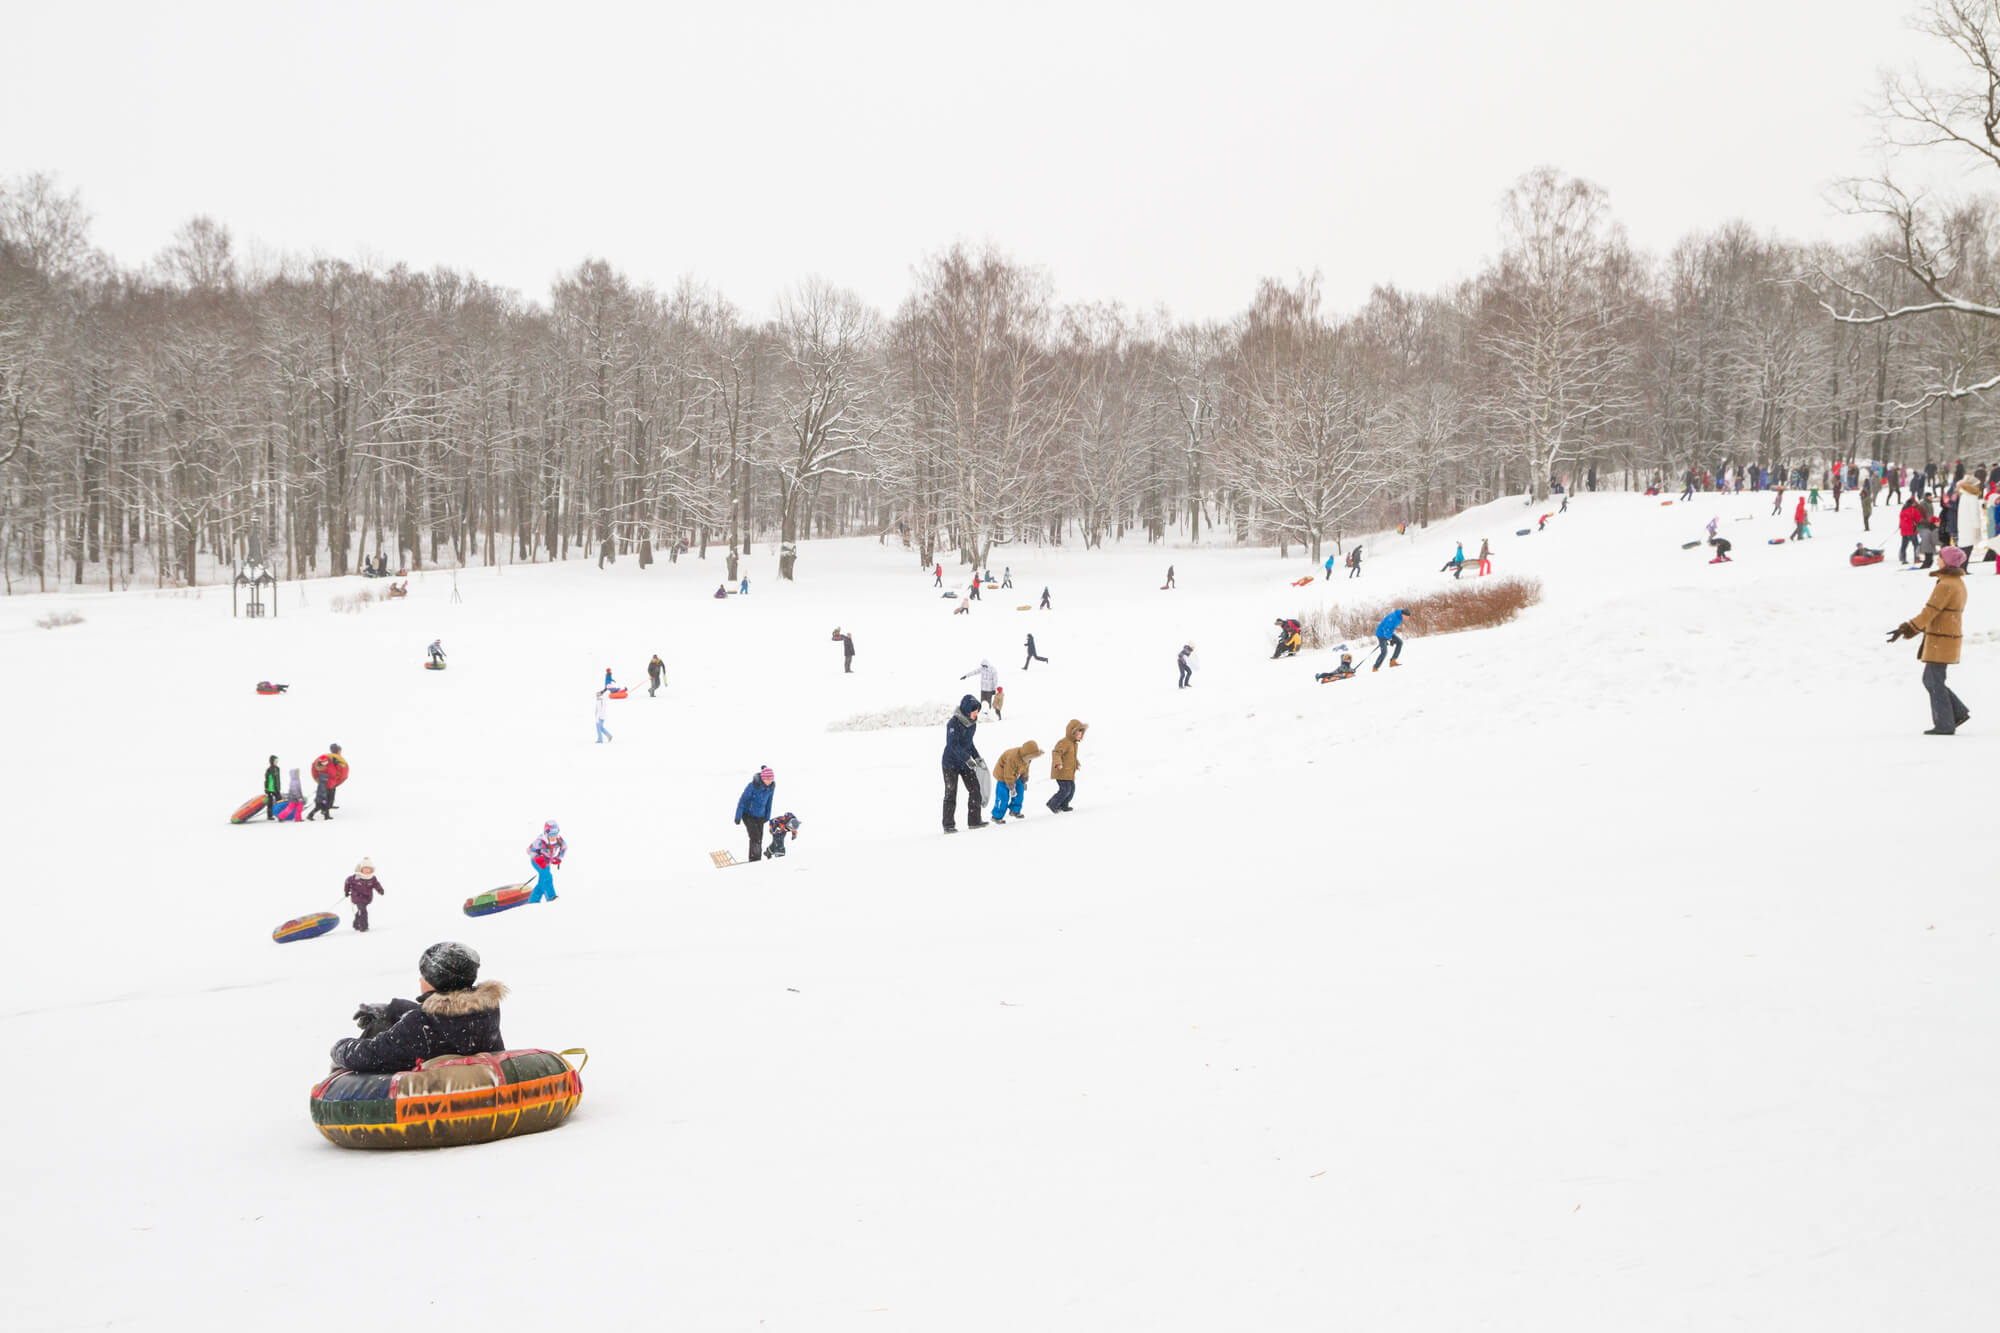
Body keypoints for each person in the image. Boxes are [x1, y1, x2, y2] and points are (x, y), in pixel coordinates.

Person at [328, 942, 504, 1075]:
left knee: (378, 1027)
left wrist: (340, 1047)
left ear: (437, 980)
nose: (420, 980)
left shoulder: (419, 1025)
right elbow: (445, 1018)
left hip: (428, 1097)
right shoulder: (487, 1011)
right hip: (475, 1082)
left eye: (424, 976)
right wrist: (393, 1008)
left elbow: (369, 1055)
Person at [1888, 546, 1971, 735]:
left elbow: (1930, 612)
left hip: (1942, 637)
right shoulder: (1956, 582)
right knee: (1932, 679)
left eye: (1940, 557)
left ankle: (1946, 723)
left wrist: (1906, 628)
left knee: (1933, 680)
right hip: (1946, 636)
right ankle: (1956, 713)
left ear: (1947, 561)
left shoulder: (1946, 585)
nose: (1937, 559)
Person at [941, 696, 985, 833]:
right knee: (951, 793)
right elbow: (953, 745)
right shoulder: (953, 724)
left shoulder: (972, 723)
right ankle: (948, 825)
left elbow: (969, 743)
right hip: (950, 764)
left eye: (977, 711)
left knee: (975, 789)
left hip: (966, 763)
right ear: (966, 710)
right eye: (974, 711)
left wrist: (977, 757)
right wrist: (967, 758)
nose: (976, 714)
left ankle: (974, 821)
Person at [990, 740, 1044, 824]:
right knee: (1003, 797)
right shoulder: (1013, 757)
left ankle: (1014, 810)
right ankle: (996, 816)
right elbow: (1008, 772)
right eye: (1031, 757)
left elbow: (1025, 769)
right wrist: (1012, 788)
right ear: (1026, 754)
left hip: (1013, 775)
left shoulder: (1027, 758)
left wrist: (1023, 781)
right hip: (1002, 776)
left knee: (1020, 790)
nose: (1031, 759)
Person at [734, 766, 775, 862]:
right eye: (767, 779)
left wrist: (767, 816)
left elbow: (769, 802)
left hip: (760, 816)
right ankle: (754, 859)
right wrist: (738, 816)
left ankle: (757, 860)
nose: (769, 781)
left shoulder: (771, 788)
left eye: (771, 779)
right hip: (748, 815)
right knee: (755, 837)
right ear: (763, 778)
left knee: (759, 838)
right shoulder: (752, 786)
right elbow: (742, 801)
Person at [1046, 719, 1087, 813]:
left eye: (1081, 734)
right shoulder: (1065, 742)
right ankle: (1052, 804)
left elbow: (1071, 757)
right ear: (1071, 732)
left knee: (1071, 789)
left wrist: (1076, 763)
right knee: (1065, 789)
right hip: (1061, 771)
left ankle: (1064, 805)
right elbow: (1056, 752)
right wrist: (1058, 763)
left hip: (1068, 772)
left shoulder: (1074, 744)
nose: (1079, 735)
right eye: (1077, 733)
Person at [307, 744, 347, 820]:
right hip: (324, 791)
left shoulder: (330, 764)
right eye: (324, 761)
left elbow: (338, 769)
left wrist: (337, 763)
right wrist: (322, 796)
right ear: (321, 762)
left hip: (331, 786)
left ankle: (326, 815)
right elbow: (321, 786)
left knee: (327, 803)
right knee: (321, 805)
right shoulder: (322, 770)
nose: (326, 762)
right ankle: (310, 815)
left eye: (326, 761)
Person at [344, 858, 385, 932]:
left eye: (368, 868)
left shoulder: (372, 878)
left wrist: (380, 890)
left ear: (371, 869)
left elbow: (376, 884)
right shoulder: (356, 877)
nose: (367, 870)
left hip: (367, 898)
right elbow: (347, 882)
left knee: (361, 910)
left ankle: (356, 924)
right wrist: (346, 892)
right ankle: (364, 926)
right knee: (363, 910)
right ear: (361, 869)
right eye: (365, 868)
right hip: (357, 897)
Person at [527, 821, 564, 902]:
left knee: (542, 881)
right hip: (537, 861)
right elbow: (529, 850)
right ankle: (551, 897)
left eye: (555, 833)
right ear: (546, 833)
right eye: (551, 834)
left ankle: (533, 900)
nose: (553, 836)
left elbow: (564, 847)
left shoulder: (558, 840)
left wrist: (558, 858)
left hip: (546, 863)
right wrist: (538, 858)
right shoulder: (540, 841)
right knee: (547, 876)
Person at [263, 754, 281, 821]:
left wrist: (279, 787)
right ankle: (269, 816)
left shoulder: (278, 769)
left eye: (277, 761)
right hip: (270, 789)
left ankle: (280, 814)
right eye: (275, 761)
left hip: (277, 789)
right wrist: (266, 789)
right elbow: (266, 780)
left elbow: (278, 779)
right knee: (270, 803)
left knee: (279, 801)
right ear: (271, 761)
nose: (277, 762)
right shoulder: (269, 770)